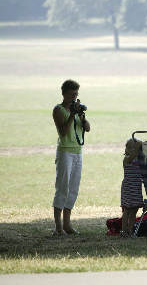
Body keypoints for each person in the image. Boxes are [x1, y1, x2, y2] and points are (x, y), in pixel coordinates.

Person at [52, 79, 91, 236]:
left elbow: (87, 128)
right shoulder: (58, 110)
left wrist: (80, 115)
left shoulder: (77, 110)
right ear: (64, 94)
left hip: (77, 152)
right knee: (62, 187)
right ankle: (58, 227)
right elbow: (63, 132)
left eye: (76, 94)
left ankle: (67, 224)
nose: (74, 97)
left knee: (73, 188)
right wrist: (71, 115)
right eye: (71, 94)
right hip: (65, 152)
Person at [120, 138, 144, 237]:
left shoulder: (139, 159)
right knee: (127, 209)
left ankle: (130, 230)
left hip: (136, 187)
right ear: (128, 149)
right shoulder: (127, 159)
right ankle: (124, 230)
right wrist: (137, 148)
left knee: (134, 209)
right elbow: (131, 157)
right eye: (132, 148)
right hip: (128, 187)